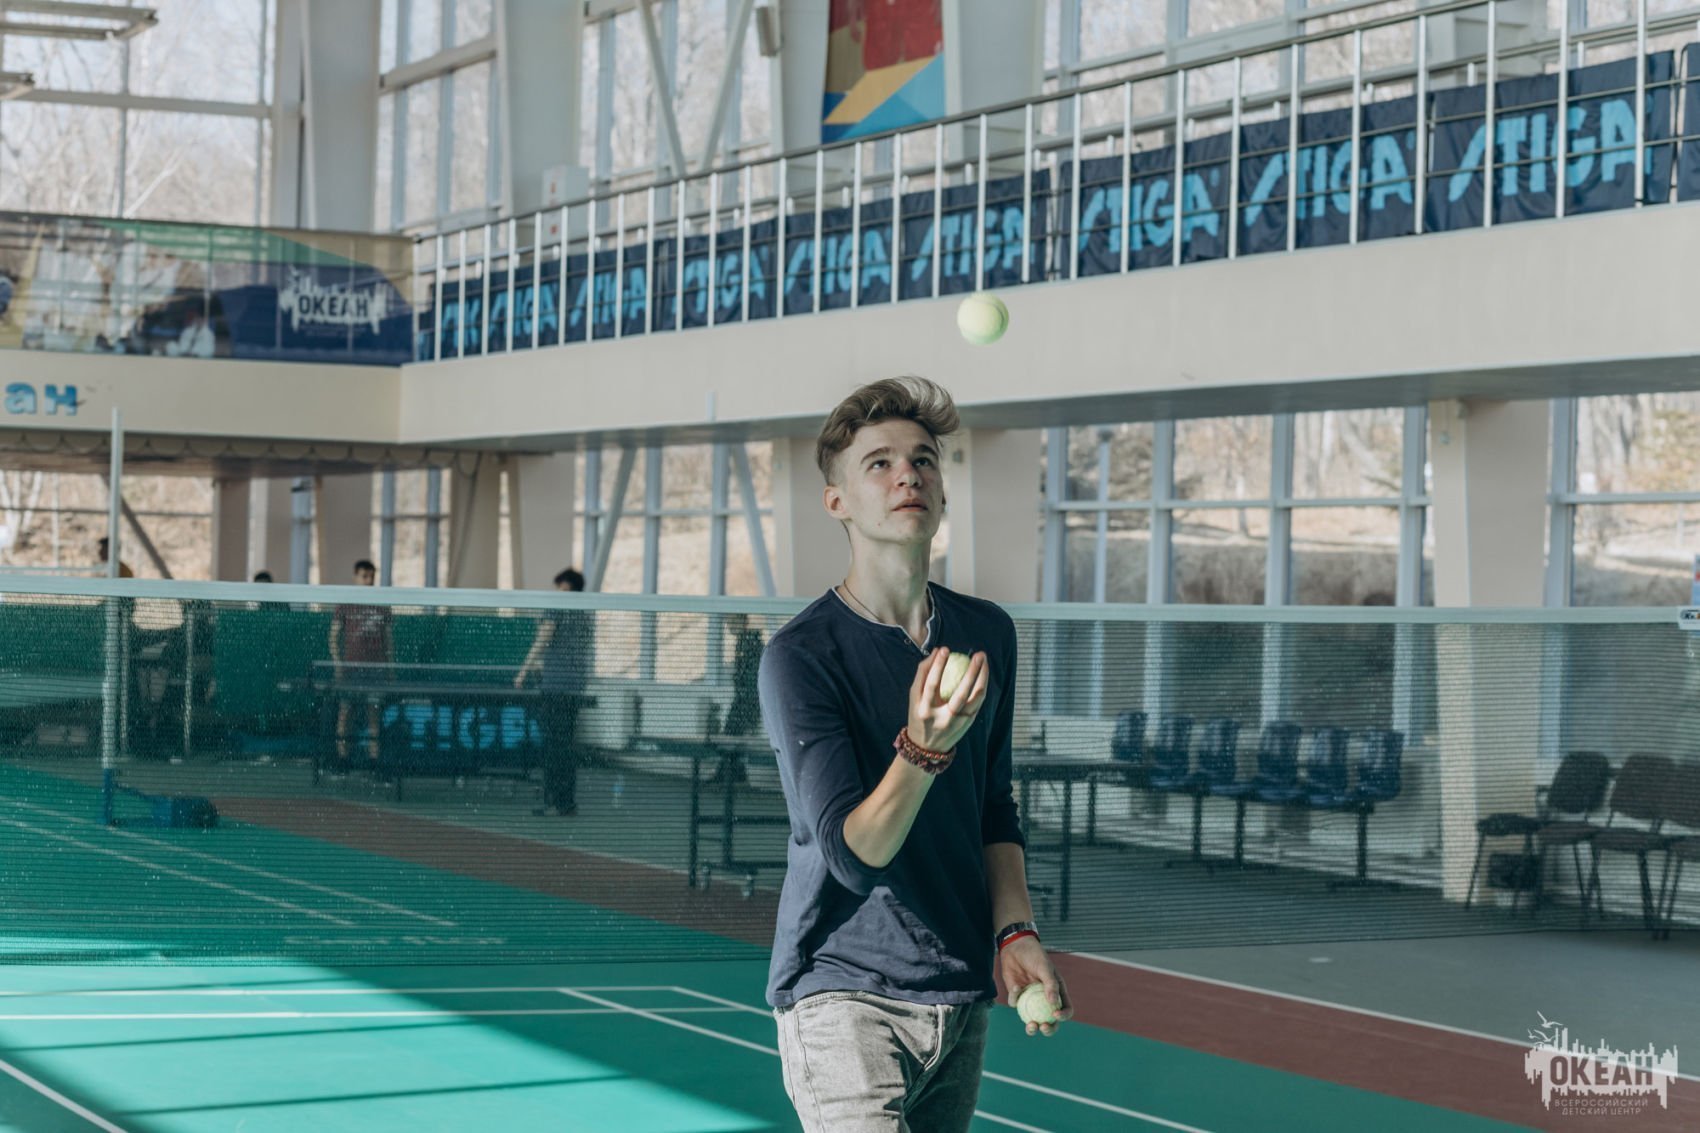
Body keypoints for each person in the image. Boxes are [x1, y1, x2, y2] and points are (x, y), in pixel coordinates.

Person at [759, 376, 1071, 1133]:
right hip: (843, 987)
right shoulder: (801, 657)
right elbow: (852, 855)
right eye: (880, 463)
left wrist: (1016, 930)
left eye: (924, 460)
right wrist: (922, 749)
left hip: (958, 993)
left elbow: (992, 805)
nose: (909, 475)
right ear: (837, 501)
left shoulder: (987, 632)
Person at [515, 568, 593, 816]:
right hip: (575, 687)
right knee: (566, 744)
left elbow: (543, 638)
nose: (556, 591)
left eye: (560, 587)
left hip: (556, 688)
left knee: (553, 746)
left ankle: (552, 801)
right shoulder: (585, 614)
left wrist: (524, 670)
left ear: (567, 588)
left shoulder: (557, 608)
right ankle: (566, 802)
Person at [329, 559, 391, 767]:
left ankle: (374, 763)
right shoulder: (345, 603)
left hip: (376, 670)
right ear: (355, 577)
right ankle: (342, 761)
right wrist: (338, 665)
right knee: (345, 714)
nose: (369, 580)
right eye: (364, 576)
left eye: (372, 576)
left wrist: (390, 668)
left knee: (374, 716)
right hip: (351, 670)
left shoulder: (382, 604)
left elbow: (388, 641)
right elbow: (333, 637)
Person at [721, 612, 764, 738]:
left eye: (734, 622)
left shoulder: (750, 643)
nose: (730, 626)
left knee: (734, 734)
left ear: (744, 622)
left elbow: (752, 672)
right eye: (729, 622)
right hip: (744, 696)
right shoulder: (743, 642)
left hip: (748, 698)